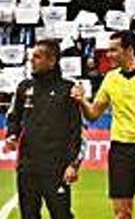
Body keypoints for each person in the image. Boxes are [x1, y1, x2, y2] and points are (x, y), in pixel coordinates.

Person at [71, 30, 135, 219]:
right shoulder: (110, 78)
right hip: (120, 150)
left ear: (129, 50)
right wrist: (82, 100)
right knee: (122, 214)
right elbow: (93, 115)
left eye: (113, 50)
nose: (108, 55)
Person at [3, 39, 83, 219]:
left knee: (61, 214)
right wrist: (12, 135)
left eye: (37, 57)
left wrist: (73, 164)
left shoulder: (68, 89)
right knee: (29, 215)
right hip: (27, 166)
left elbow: (76, 130)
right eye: (32, 57)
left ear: (52, 60)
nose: (32, 60)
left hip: (56, 167)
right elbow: (13, 117)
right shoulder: (24, 87)